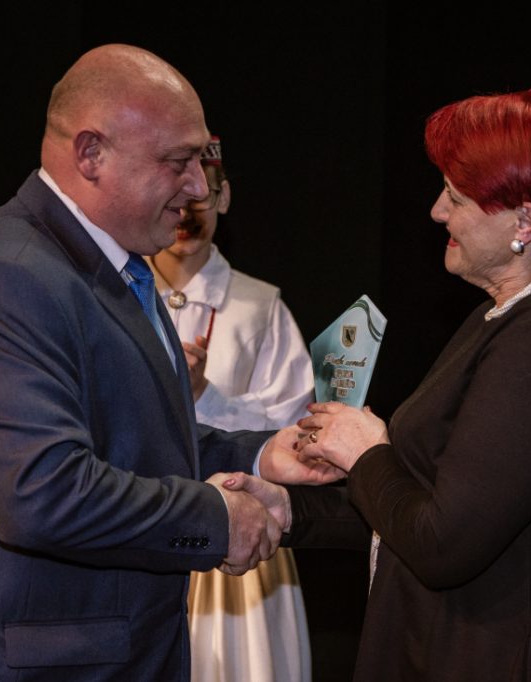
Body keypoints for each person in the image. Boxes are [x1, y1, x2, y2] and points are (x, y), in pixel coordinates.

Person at [0, 44, 337, 680]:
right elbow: (44, 495)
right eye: (178, 162)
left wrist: (259, 455)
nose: (197, 187)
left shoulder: (112, 264)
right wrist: (216, 520)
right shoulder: (2, 276)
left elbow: (129, 439)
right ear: (90, 154)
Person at [233, 84, 531, 680]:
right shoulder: (511, 313)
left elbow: (442, 544)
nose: (436, 211)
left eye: (455, 197)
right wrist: (290, 511)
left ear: (525, 221)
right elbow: (423, 502)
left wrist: (365, 452)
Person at [149, 135, 313, 682]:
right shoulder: (122, 294)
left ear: (222, 197)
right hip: (147, 521)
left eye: (202, 195)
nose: (187, 211)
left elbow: (293, 429)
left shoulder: (259, 306)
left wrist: (205, 396)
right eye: (175, 192)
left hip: (236, 535)